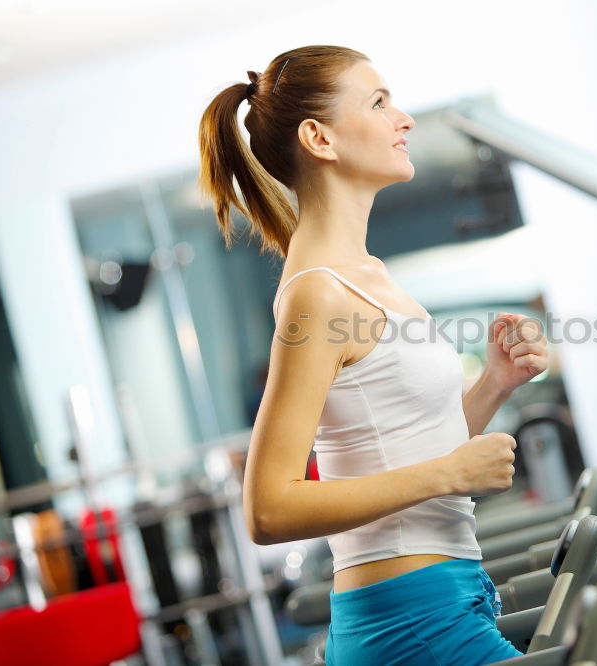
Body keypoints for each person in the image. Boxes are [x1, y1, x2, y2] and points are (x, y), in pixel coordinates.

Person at [198, 45, 549, 665]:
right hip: (409, 621)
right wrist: (449, 474)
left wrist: (494, 384)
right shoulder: (318, 294)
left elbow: (403, 445)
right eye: (379, 102)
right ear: (319, 138)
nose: (404, 119)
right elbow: (268, 508)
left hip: (447, 598)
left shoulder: (366, 274)